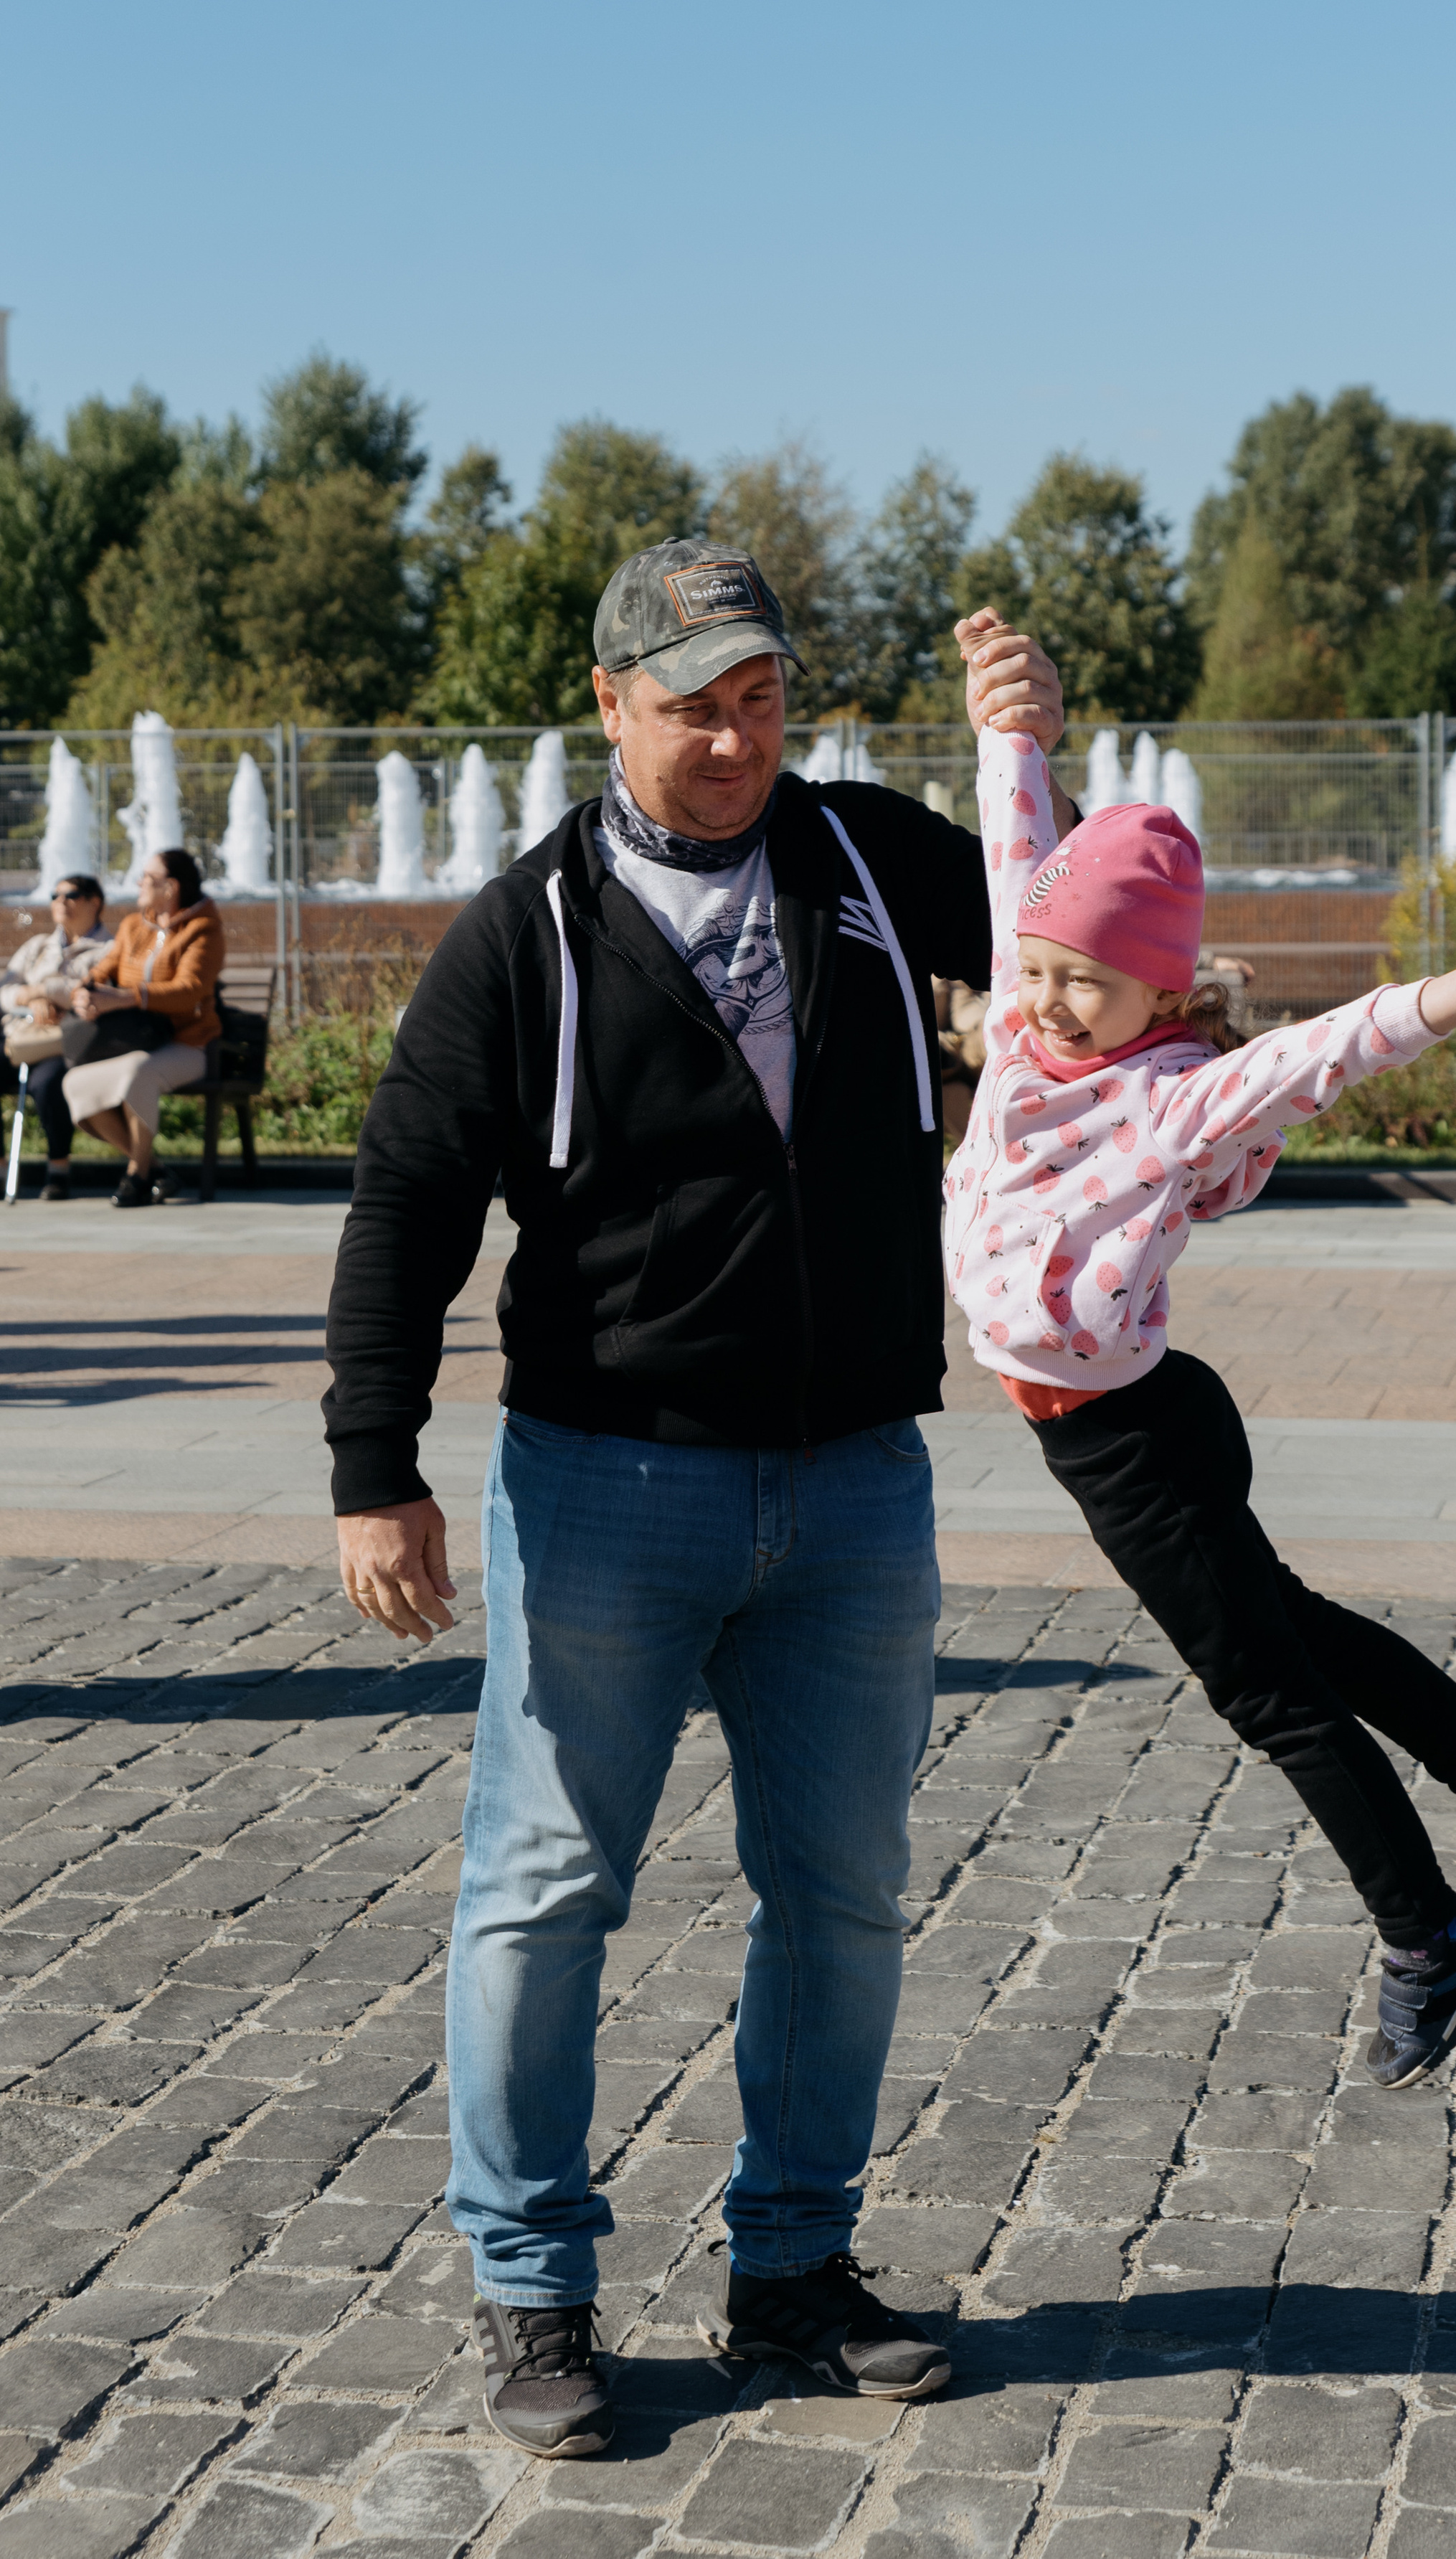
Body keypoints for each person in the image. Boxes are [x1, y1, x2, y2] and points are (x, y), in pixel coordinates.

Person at [322, 542, 1079, 2459]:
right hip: (606, 1489)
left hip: (854, 1492)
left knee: (842, 1897)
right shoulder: (532, 935)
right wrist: (375, 1468)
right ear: (608, 703)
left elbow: (1069, 922)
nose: (733, 736)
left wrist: (1028, 756)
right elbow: (408, 1199)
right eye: (692, 703)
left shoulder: (872, 865)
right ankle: (531, 2294)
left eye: (758, 696)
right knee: (546, 1891)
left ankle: (793, 2276)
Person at [943, 611, 1456, 2093]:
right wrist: (1008, 724)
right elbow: (1017, 840)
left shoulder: (1169, 1098)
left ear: (1157, 997)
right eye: (1038, 970)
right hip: (1132, 1421)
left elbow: (1324, 1050)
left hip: (1124, 1439)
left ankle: (1426, 1931)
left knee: (1266, 1691)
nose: (1048, 1004)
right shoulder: (1023, 1026)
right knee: (1288, 1627)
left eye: (1083, 986)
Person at [63, 848, 224, 1207]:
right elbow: (104, 969)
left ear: (170, 888)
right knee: (76, 1083)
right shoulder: (134, 926)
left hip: (191, 1045)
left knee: (139, 1075)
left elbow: (190, 991)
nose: (139, 883)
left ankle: (136, 1175)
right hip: (136, 1043)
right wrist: (85, 993)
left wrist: (125, 998)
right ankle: (158, 1172)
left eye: (147, 879)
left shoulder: (204, 930)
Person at [1, 875, 112, 1200]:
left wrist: (45, 991)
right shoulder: (37, 946)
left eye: (71, 895)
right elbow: (5, 991)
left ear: (95, 902)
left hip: (66, 1041)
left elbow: (91, 991)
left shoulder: (109, 949)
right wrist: (29, 999)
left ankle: (58, 1169)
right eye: (55, 895)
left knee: (47, 1083)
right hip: (22, 1035)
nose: (60, 902)